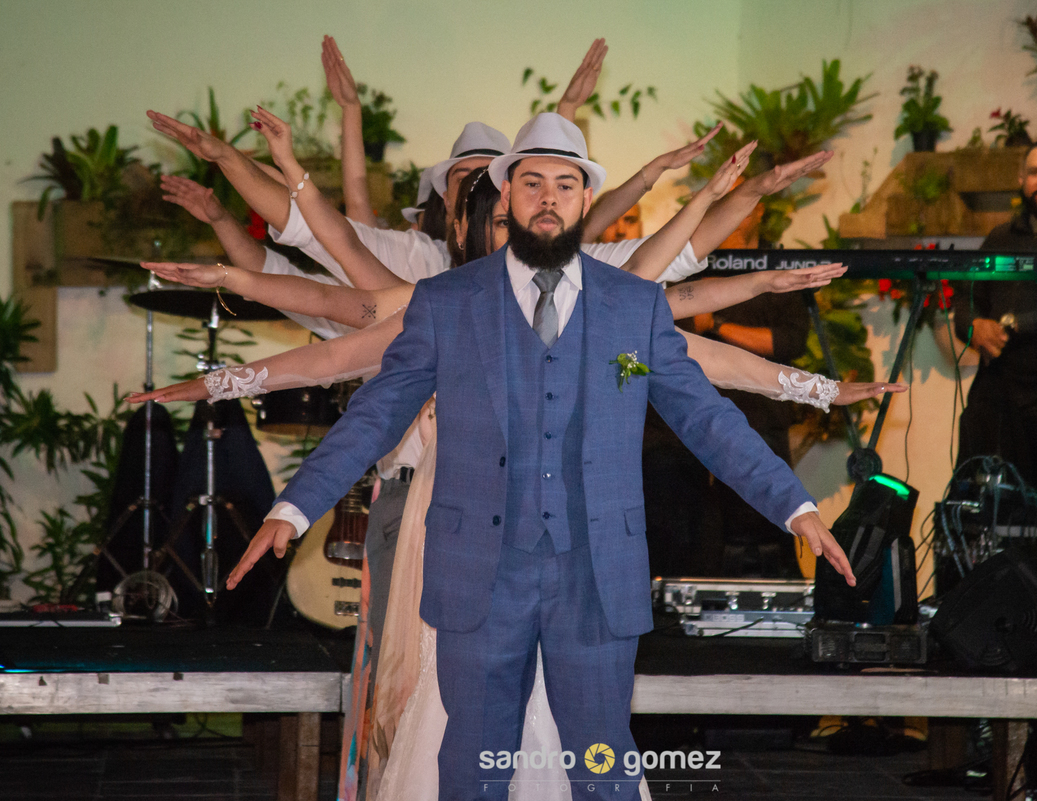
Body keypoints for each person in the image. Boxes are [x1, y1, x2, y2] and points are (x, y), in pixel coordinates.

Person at [221, 112, 856, 799]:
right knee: (472, 767)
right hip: (479, 574)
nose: (548, 196)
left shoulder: (632, 308)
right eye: (532, 182)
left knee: (600, 764)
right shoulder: (447, 302)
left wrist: (794, 505)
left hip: (596, 573)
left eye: (565, 183)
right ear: (507, 194)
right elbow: (376, 413)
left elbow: (705, 416)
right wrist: (292, 506)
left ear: (585, 201)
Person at [953, 137, 1037, 492]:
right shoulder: (999, 237)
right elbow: (966, 299)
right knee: (976, 505)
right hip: (997, 394)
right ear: (1021, 179)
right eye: (1035, 172)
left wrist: (1016, 323)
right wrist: (974, 327)